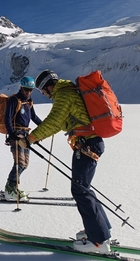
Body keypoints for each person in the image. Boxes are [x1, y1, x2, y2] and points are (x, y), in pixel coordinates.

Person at [18, 70, 112, 254]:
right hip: (89, 143)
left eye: (44, 91)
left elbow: (55, 121)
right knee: (84, 188)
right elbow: (61, 122)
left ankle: (98, 241)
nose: (45, 95)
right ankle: (101, 230)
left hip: (87, 145)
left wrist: (31, 139)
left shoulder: (64, 94)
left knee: (80, 190)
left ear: (48, 86)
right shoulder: (69, 91)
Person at [3, 76, 42, 202]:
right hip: (16, 135)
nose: (28, 92)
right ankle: (10, 188)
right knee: (19, 163)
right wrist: (12, 134)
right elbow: (7, 119)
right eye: (26, 89)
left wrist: (45, 127)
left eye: (30, 90)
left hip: (25, 135)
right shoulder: (14, 100)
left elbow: (34, 117)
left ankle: (13, 187)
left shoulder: (29, 101)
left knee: (24, 164)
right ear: (21, 87)